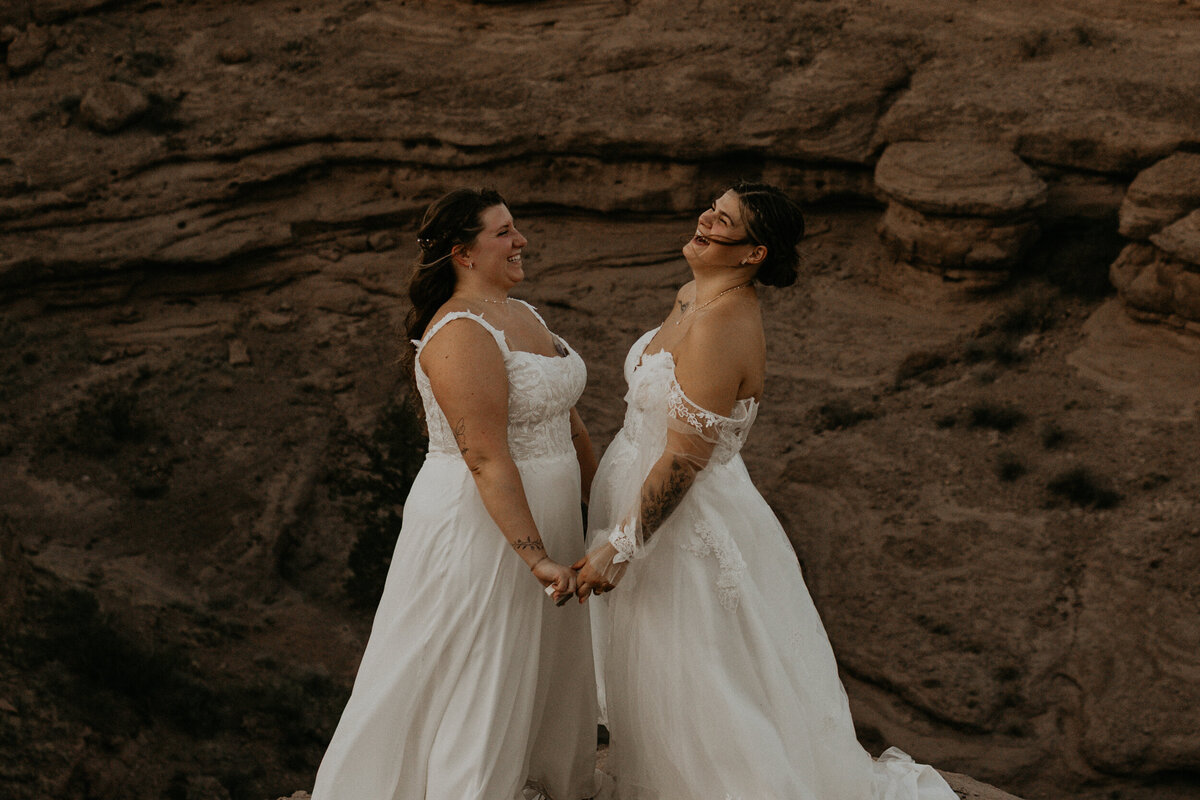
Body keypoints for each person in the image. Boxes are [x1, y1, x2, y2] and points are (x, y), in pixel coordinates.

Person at [575, 182, 959, 800]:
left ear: (753, 254)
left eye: (722, 220)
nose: (704, 217)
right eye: (711, 207)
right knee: (647, 666)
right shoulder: (692, 295)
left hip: (682, 521)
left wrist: (620, 548)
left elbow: (681, 461)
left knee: (697, 670)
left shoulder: (723, 324)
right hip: (634, 491)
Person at [312, 188, 599, 800]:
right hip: (480, 526)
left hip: (552, 516)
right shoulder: (459, 332)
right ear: (462, 253)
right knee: (482, 667)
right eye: (503, 232)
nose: (520, 241)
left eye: (515, 228)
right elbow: (485, 455)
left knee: (540, 665)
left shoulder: (527, 315)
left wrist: (601, 512)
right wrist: (535, 556)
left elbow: (570, 424)